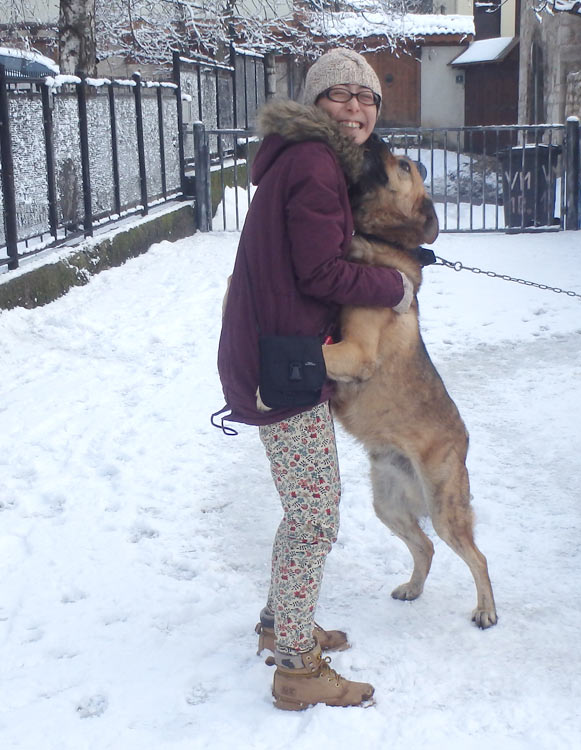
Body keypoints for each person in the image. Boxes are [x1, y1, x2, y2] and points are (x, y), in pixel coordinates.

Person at [217, 48, 411, 710]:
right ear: (315, 102)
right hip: (284, 365)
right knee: (315, 518)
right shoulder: (314, 165)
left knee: (305, 509)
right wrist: (395, 284)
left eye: (368, 97)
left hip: (280, 353)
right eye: (340, 95)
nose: (356, 106)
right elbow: (319, 272)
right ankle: (298, 667)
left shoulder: (305, 158)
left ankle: (281, 623)